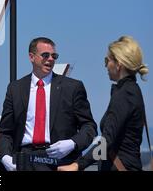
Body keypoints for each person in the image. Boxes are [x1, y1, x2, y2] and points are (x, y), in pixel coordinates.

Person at [0, 37, 97, 171]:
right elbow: (4, 132)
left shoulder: (72, 87)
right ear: (32, 57)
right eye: (45, 55)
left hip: (59, 161)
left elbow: (89, 127)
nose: (50, 59)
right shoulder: (15, 89)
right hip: (24, 161)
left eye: (54, 56)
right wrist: (5, 158)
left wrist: (72, 143)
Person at [58, 36, 149, 171]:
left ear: (119, 64)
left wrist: (77, 165)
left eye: (107, 60)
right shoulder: (132, 90)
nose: (105, 65)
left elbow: (107, 141)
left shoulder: (125, 94)